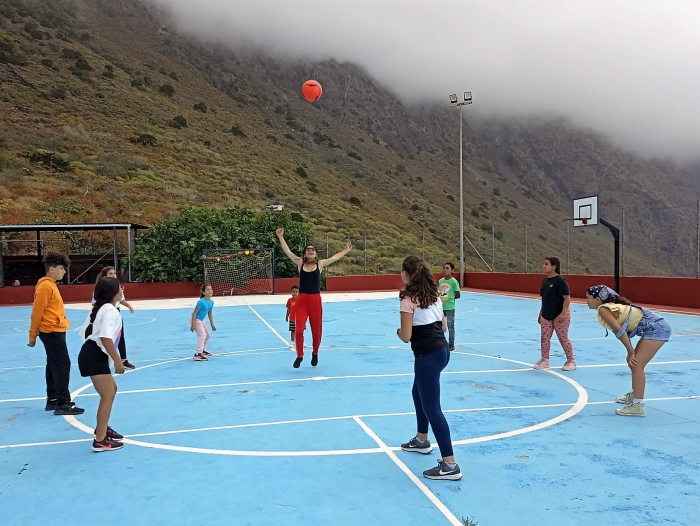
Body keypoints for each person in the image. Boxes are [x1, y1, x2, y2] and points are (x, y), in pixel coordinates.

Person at [397, 256, 462, 481]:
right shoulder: (433, 295)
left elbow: (406, 336)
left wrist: (398, 331)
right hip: (442, 352)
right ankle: (422, 439)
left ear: (406, 274)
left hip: (427, 356)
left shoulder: (407, 298)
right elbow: (443, 325)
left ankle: (450, 464)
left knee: (433, 407)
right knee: (418, 393)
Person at [586, 284, 672, 417]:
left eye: (588, 298)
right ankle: (634, 395)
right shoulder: (608, 307)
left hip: (657, 328)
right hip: (655, 327)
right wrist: (630, 351)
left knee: (636, 364)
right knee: (634, 363)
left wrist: (630, 351)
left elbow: (620, 331)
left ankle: (637, 406)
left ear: (598, 299)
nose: (586, 300)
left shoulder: (603, 309)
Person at [275, 228, 352, 368]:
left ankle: (315, 353)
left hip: (315, 301)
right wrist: (280, 237)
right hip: (302, 301)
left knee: (316, 332)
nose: (310, 250)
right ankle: (299, 355)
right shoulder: (300, 263)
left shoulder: (320, 264)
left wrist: (346, 250)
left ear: (316, 253)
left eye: (313, 249)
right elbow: (288, 252)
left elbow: (335, 258)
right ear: (304, 253)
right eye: (308, 249)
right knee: (298, 330)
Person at [27, 252, 84, 415]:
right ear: (52, 269)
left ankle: (52, 400)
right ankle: (63, 402)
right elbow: (37, 311)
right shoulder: (45, 286)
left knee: (53, 364)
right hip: (51, 331)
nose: (64, 272)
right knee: (62, 364)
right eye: (61, 268)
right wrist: (32, 335)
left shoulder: (50, 284)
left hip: (55, 329)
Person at [78, 277, 126, 451]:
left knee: (112, 390)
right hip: (94, 356)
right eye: (121, 288)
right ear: (114, 293)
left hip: (93, 354)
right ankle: (100, 440)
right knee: (107, 395)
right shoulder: (110, 311)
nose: (123, 290)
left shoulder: (105, 308)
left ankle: (103, 428)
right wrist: (117, 360)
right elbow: (105, 337)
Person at [535, 256, 576, 371]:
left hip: (560, 315)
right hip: (546, 315)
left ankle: (571, 360)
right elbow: (545, 299)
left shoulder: (561, 281)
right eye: (544, 264)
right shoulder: (544, 281)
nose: (544, 266)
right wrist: (541, 313)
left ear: (554, 267)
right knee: (544, 338)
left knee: (563, 338)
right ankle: (545, 360)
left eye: (546, 264)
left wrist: (563, 314)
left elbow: (566, 299)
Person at [94, 267, 136, 370]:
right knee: (107, 337)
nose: (113, 275)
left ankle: (123, 360)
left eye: (114, 273)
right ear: (105, 276)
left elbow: (121, 300)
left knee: (120, 337)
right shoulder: (101, 291)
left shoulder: (116, 287)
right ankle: (111, 358)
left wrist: (128, 305)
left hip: (116, 312)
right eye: (111, 273)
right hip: (108, 314)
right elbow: (95, 303)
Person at [438, 262, 460, 352]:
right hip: (440, 307)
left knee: (450, 326)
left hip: (450, 307)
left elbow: (458, 294)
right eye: (444, 267)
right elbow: (439, 292)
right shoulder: (440, 281)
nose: (445, 270)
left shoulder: (454, 282)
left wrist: (449, 297)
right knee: (439, 326)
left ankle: (451, 344)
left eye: (447, 268)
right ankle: (441, 342)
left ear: (452, 270)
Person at [190, 283, 216, 361]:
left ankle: (202, 351)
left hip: (201, 320)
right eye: (207, 289)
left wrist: (212, 324)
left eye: (211, 289)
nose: (210, 291)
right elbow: (194, 313)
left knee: (207, 335)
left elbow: (210, 313)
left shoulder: (211, 302)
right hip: (195, 319)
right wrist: (193, 325)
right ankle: (198, 354)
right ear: (203, 292)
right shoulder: (201, 302)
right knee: (202, 335)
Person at [286, 285, 299, 349]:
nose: (295, 293)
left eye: (296, 292)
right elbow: (288, 309)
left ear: (298, 292)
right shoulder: (289, 300)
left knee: (300, 331)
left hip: (299, 319)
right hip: (292, 319)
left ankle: (301, 342)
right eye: (293, 292)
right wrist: (286, 316)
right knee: (293, 330)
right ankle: (292, 342)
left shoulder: (300, 300)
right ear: (291, 292)